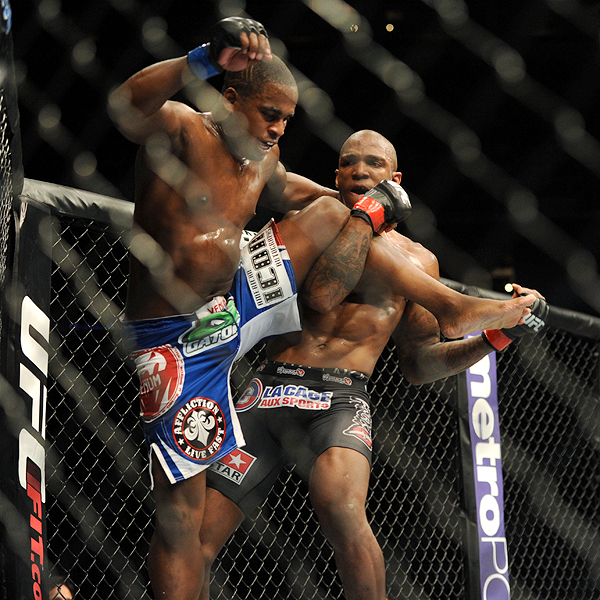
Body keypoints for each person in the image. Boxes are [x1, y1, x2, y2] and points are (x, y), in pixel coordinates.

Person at [109, 17, 534, 600]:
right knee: (183, 521)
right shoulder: (184, 129)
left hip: (238, 318)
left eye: (287, 119)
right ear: (230, 98)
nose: (278, 129)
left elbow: (328, 206)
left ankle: (453, 307)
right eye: (270, 114)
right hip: (176, 340)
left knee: (339, 216)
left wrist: (371, 209)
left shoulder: (271, 164)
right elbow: (126, 106)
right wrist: (201, 58)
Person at [200, 130, 548, 600]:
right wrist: (363, 216)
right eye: (349, 162)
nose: (360, 170)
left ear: (395, 180)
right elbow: (322, 296)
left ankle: (460, 312)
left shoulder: (419, 262)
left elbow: (419, 362)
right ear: (337, 175)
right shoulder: (308, 222)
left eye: (373, 163)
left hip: (340, 399)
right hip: (269, 386)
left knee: (344, 514)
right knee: (198, 533)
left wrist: (495, 338)